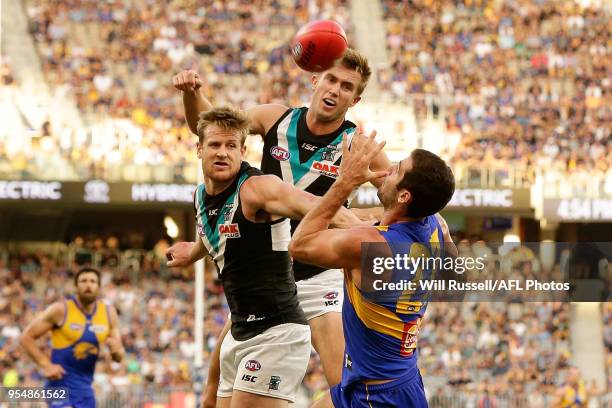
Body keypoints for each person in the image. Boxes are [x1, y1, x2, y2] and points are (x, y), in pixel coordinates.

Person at [173, 48, 391, 402]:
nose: (335, 90)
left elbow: (398, 196)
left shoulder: (359, 146)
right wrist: (191, 93)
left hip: (319, 276)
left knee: (342, 386)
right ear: (315, 79)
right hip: (271, 279)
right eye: (331, 79)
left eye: (347, 86)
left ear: (356, 98)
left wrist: (382, 221)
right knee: (211, 391)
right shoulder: (275, 118)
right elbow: (215, 129)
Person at [166, 107, 363, 408]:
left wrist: (372, 234)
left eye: (231, 146)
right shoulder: (199, 196)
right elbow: (219, 230)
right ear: (199, 149)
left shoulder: (257, 188)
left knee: (343, 383)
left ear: (243, 150)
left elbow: (316, 207)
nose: (223, 153)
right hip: (240, 330)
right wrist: (193, 252)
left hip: (276, 332)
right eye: (215, 145)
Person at [289, 133, 457, 408]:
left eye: (397, 170)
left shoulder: (370, 245)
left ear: (405, 196)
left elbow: (300, 245)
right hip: (400, 379)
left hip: (375, 396)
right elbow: (452, 269)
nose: (388, 170)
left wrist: (344, 183)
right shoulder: (435, 225)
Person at [20, 267, 124, 408]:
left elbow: (119, 357)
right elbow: (26, 337)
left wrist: (115, 350)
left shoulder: (108, 313)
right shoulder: (60, 310)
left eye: (93, 281)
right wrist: (46, 364)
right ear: (76, 286)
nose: (88, 285)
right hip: (59, 386)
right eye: (83, 281)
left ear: (99, 287)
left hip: (85, 390)